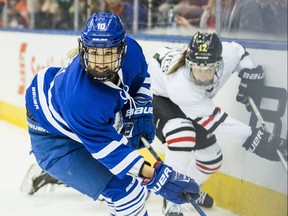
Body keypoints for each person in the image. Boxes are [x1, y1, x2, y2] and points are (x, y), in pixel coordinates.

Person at [23, 12, 200, 215]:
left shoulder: (132, 51)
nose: (100, 62)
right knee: (129, 192)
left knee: (132, 182)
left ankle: (79, 171)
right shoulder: (81, 100)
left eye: (109, 53)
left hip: (77, 116)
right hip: (53, 138)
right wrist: (157, 177)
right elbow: (114, 155)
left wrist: (142, 106)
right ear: (83, 49)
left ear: (122, 49)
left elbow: (142, 79)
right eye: (94, 52)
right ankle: (57, 169)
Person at [148, 31, 283, 216]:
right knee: (182, 135)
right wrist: (257, 140)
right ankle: (171, 199)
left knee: (210, 160)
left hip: (196, 102)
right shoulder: (180, 84)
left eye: (208, 69)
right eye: (197, 69)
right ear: (188, 63)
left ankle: (189, 188)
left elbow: (240, 52)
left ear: (219, 64)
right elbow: (217, 123)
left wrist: (248, 72)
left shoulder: (226, 55)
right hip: (160, 96)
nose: (202, 76)